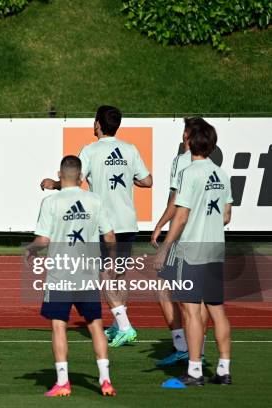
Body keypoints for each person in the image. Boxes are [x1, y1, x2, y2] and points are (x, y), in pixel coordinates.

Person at [40, 105, 152, 347]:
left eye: (94, 120)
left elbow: (75, 181)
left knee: (103, 276)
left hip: (105, 224)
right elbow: (147, 180)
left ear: (99, 124)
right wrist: (125, 178)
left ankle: (124, 325)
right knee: (119, 276)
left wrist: (53, 183)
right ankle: (118, 325)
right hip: (129, 222)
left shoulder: (90, 151)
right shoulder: (130, 150)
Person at [27, 155, 117, 397]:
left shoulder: (51, 202)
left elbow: (43, 240)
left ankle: (63, 382)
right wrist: (110, 262)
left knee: (59, 326)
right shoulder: (94, 200)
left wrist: (32, 249)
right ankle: (106, 380)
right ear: (81, 177)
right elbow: (109, 236)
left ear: (59, 174)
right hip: (87, 273)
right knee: (95, 325)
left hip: (60, 274)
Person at [154, 118, 233, 386]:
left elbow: (182, 215)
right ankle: (223, 369)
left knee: (190, 311)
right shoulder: (221, 174)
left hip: (192, 251)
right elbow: (226, 216)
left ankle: (195, 371)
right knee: (217, 311)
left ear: (190, 142)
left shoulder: (190, 173)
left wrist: (165, 248)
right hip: (215, 248)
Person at [151, 118, 209, 367]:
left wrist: (160, 226)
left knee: (164, 287)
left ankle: (182, 345)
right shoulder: (213, 166)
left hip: (184, 237)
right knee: (202, 296)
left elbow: (176, 201)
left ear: (188, 135)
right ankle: (200, 347)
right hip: (206, 236)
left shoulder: (183, 161)